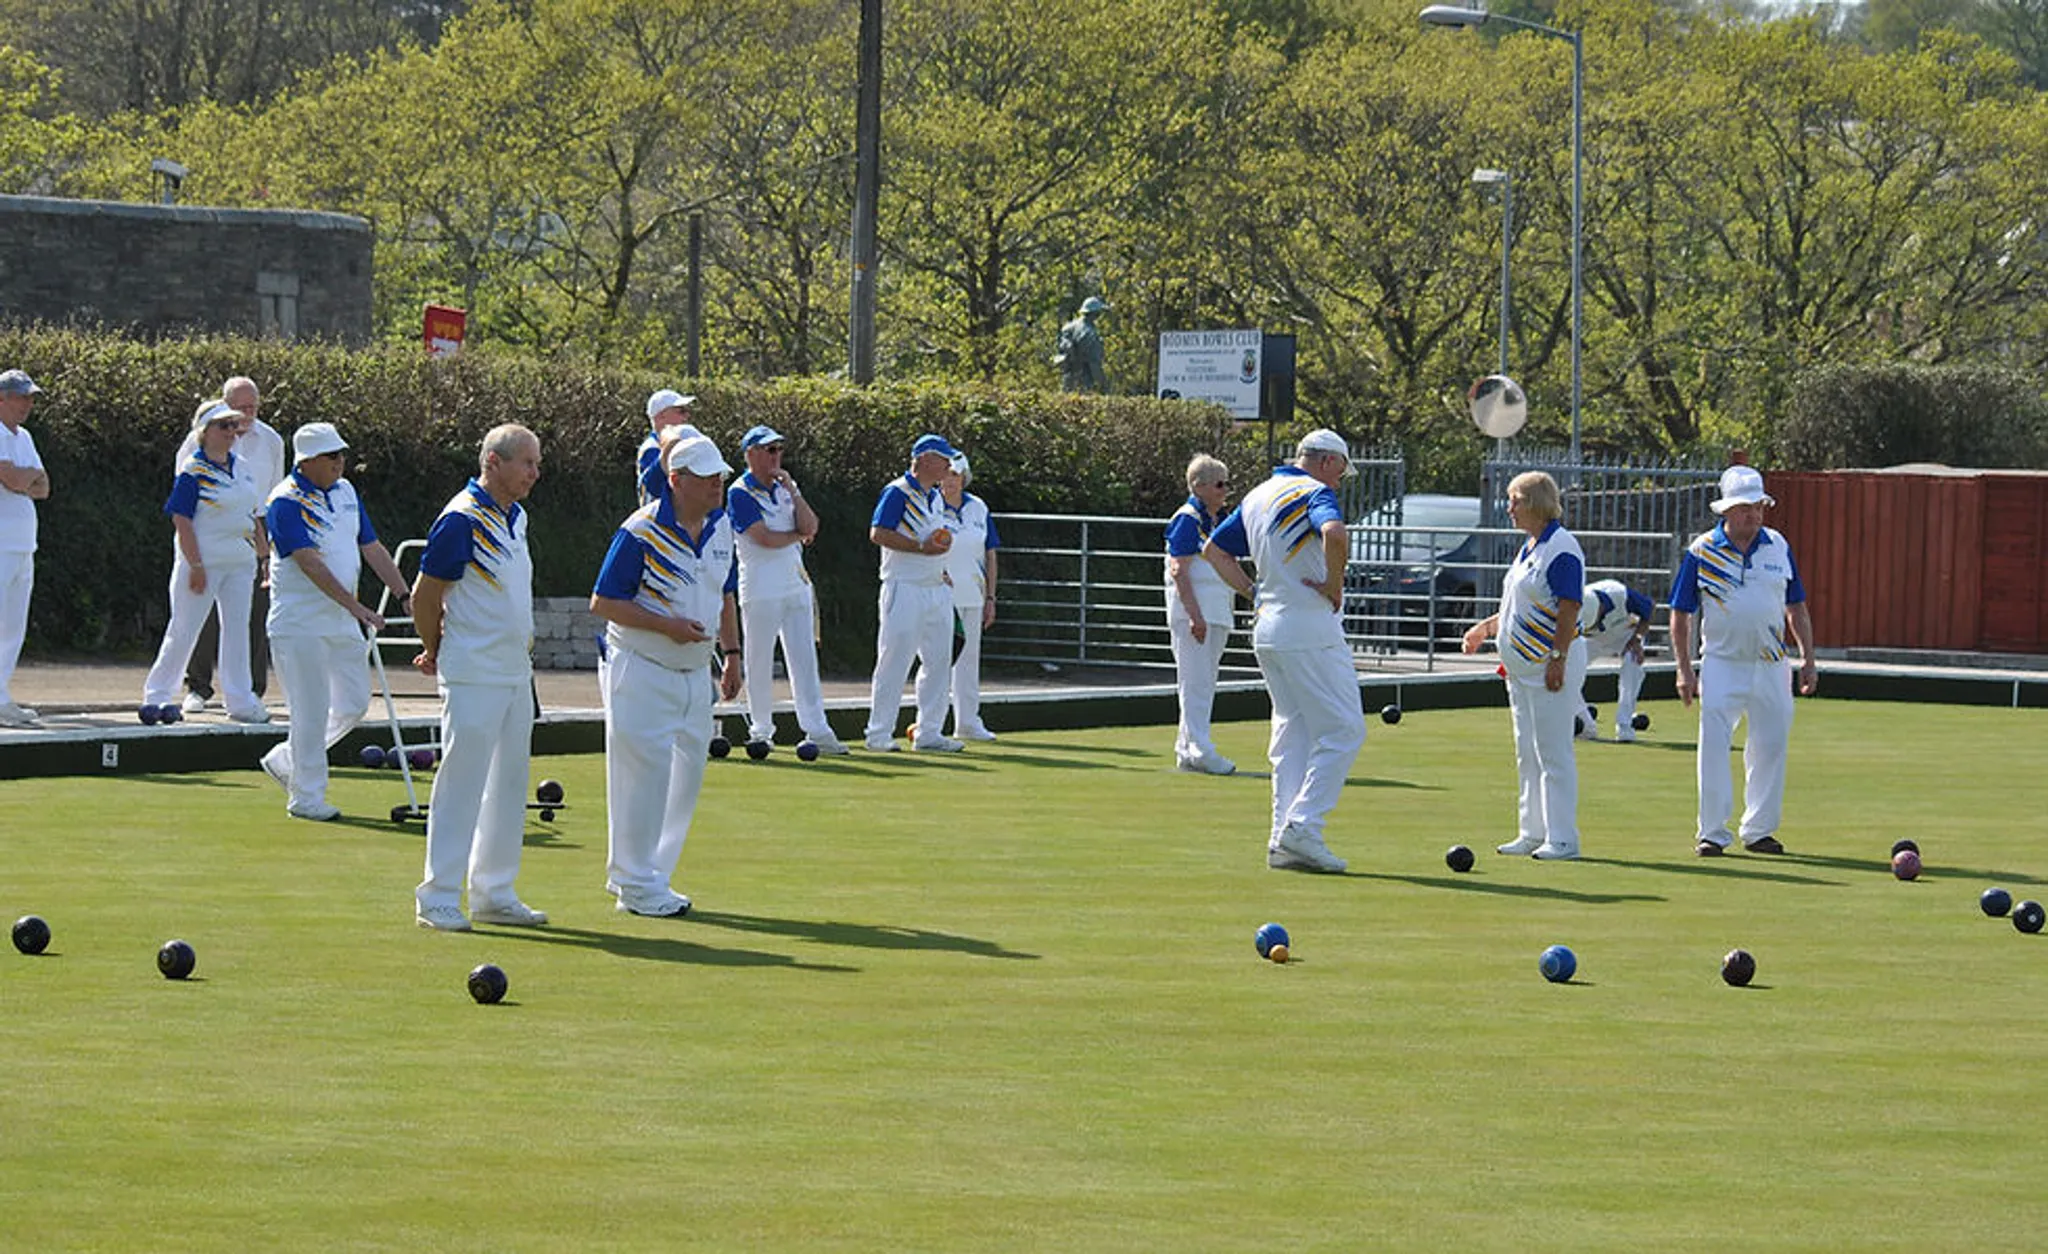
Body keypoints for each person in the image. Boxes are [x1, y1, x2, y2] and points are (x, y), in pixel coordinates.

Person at [590, 434, 743, 917]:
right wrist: (666, 626)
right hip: (642, 666)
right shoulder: (640, 531)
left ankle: (652, 875)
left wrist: (733, 653)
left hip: (695, 671)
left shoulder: (722, 527)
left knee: (686, 778)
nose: (718, 484)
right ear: (676, 481)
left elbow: (725, 595)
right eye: (706, 477)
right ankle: (634, 882)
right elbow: (605, 603)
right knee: (644, 777)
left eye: (719, 474)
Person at [1202, 429, 1365, 873]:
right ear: (1328, 462)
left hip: (1269, 627)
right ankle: (1304, 826)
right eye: (1340, 473)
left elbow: (1213, 550)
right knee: (1345, 730)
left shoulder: (1258, 494)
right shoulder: (1313, 492)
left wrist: (1253, 592)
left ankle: (1281, 838)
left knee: (1292, 733)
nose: (1339, 482)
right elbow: (1335, 533)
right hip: (1310, 625)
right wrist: (1334, 584)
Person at [409, 424, 549, 932]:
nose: (536, 472)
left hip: (515, 669)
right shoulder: (460, 520)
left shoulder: (517, 517)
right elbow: (425, 597)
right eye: (527, 463)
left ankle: (494, 891)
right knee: (462, 781)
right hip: (472, 670)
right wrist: (433, 648)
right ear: (494, 461)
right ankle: (438, 895)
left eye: (536, 463)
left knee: (509, 785)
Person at [258, 422, 413, 822]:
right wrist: (357, 607)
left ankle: (288, 758)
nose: (341, 462)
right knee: (310, 710)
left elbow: (372, 547)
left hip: (342, 621)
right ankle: (306, 797)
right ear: (307, 461)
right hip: (300, 624)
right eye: (332, 456)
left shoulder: (345, 492)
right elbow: (309, 563)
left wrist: (404, 594)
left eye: (342, 454)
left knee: (355, 703)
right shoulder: (285, 501)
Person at [1669, 464, 1818, 857]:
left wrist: (1808, 658)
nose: (1753, 514)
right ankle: (1712, 833)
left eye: (1758, 506)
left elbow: (1795, 604)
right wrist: (1684, 670)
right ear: (1726, 510)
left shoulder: (1778, 545)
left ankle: (1759, 830)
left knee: (1770, 745)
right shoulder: (1701, 551)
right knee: (1714, 746)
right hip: (1721, 662)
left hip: (1771, 663)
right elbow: (1680, 614)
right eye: (1744, 507)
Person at [1460, 471, 1587, 860]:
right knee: (1527, 751)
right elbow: (1519, 606)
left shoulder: (1561, 548)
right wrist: (1485, 629)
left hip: (1549, 663)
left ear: (1534, 503)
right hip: (1521, 669)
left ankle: (1563, 838)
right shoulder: (1530, 547)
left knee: (1553, 751)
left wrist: (1557, 658)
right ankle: (1531, 831)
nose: (1509, 508)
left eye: (1514, 500)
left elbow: (1569, 607)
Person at [140, 400, 270, 723]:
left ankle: (240, 701)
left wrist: (264, 556)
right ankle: (157, 697)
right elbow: (181, 520)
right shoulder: (192, 470)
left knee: (237, 630)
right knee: (183, 629)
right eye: (223, 426)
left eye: (233, 426)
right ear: (205, 431)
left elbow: (253, 515)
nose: (232, 432)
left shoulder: (242, 467)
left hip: (241, 563)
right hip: (203, 563)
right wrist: (195, 565)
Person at [726, 425, 843, 754]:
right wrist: (796, 536)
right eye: (769, 450)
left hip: (796, 583)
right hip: (761, 587)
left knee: (804, 658)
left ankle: (817, 728)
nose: (776, 455)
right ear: (750, 454)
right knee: (760, 660)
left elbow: (812, 526)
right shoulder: (740, 492)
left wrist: (792, 489)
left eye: (778, 449)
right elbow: (762, 537)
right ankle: (761, 729)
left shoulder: (786, 488)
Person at [182, 376, 286, 714]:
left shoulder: (270, 440)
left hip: (251, 534)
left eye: (253, 407)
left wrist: (266, 547)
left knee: (253, 615)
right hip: (207, 534)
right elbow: (184, 496)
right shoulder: (196, 440)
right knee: (202, 612)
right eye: (241, 408)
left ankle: (249, 690)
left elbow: (272, 497)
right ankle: (198, 687)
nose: (247, 414)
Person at [863, 433, 964, 753]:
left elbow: (935, 539)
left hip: (936, 589)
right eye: (942, 458)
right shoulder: (897, 492)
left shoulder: (935, 496)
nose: (948, 465)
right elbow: (878, 533)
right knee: (894, 661)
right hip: (903, 587)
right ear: (922, 459)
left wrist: (940, 568)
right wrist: (920, 549)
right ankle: (878, 734)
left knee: (939, 661)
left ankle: (929, 732)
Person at [1165, 454, 1241, 774]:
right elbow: (1178, 570)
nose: (1226, 490)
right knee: (1196, 682)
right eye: (1219, 484)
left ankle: (1187, 748)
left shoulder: (1216, 519)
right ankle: (1199, 748)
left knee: (1203, 681)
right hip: (1196, 614)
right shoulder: (1187, 518)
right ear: (1199, 486)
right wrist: (1195, 615)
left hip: (1215, 610)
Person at [938, 452, 1000, 741]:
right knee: (937, 660)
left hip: (973, 595)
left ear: (964, 478)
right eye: (946, 473)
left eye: (955, 475)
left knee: (968, 660)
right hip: (939, 596)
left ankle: (967, 722)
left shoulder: (978, 507)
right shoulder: (931, 505)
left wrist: (991, 598)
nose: (949, 480)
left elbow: (990, 553)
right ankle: (931, 724)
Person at [0, 368, 49, 728]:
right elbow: (17, 479)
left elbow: (42, 487)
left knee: (13, 627)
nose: (27, 404)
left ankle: (0, 697)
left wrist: (23, 477)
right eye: (21, 397)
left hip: (23, 544)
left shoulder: (25, 437)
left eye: (30, 398)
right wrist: (23, 477)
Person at [1575, 577, 1656, 742]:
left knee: (1633, 663)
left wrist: (1637, 639)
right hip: (1591, 640)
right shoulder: (1574, 604)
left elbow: (1649, 609)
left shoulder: (1620, 594)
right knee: (1570, 672)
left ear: (1601, 608)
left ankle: (1625, 725)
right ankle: (1583, 720)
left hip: (1624, 635)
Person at [637, 388, 700, 506]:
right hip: (657, 520)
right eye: (681, 411)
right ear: (661, 416)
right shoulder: (651, 448)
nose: (687, 415)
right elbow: (654, 487)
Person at [1055, 296, 1111, 393]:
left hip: (1068, 376)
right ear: (1095, 313)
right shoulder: (1090, 333)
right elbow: (1094, 363)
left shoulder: (1068, 327)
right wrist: (1104, 385)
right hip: (1084, 379)